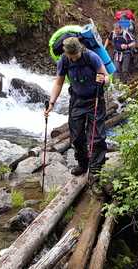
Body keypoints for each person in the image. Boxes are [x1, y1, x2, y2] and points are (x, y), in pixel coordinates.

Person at [45, 37, 109, 178]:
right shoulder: (64, 60)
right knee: (77, 137)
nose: (73, 59)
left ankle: (95, 169)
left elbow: (107, 77)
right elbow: (58, 83)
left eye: (75, 56)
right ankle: (83, 164)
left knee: (96, 136)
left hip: (95, 99)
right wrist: (51, 103)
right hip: (77, 101)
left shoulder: (91, 57)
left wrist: (103, 79)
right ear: (65, 52)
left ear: (80, 50)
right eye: (70, 56)